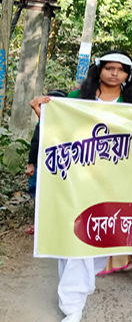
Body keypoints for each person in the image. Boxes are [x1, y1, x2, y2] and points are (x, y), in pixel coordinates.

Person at [30, 51, 132, 322]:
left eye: (121, 69)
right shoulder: (76, 97)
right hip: (77, 180)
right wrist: (43, 114)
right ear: (99, 70)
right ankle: (73, 307)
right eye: (109, 68)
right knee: (76, 241)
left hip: (116, 183)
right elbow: (57, 131)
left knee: (99, 244)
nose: (114, 73)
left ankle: (78, 288)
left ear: (128, 75)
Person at [24, 90, 68, 235]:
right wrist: (31, 164)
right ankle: (39, 224)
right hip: (44, 163)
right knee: (40, 193)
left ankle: (48, 224)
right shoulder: (44, 120)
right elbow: (36, 142)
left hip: (58, 164)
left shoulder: (65, 121)